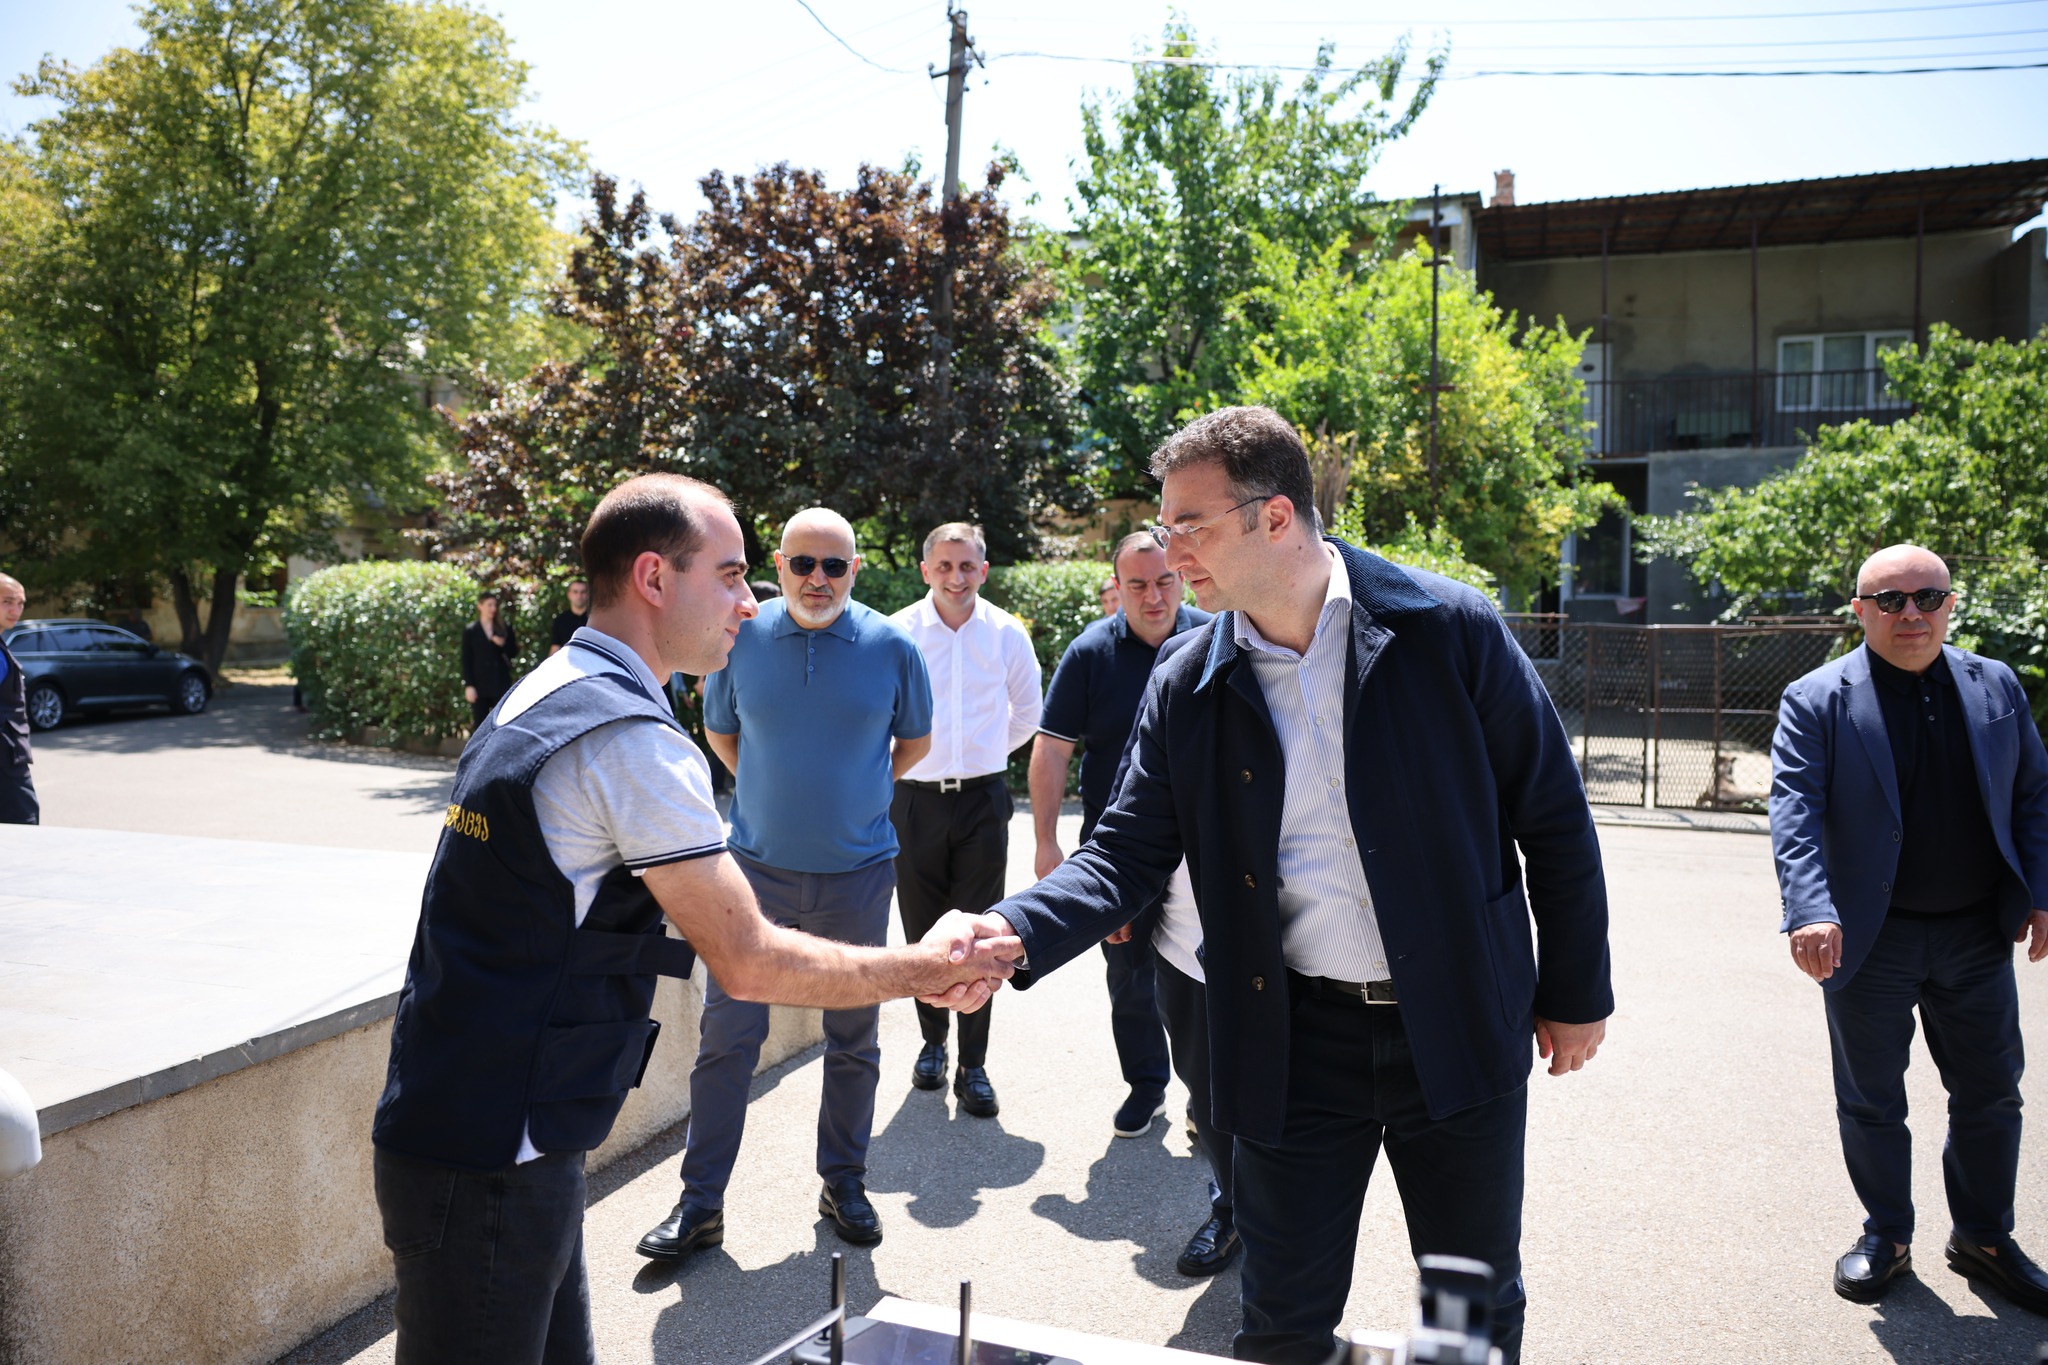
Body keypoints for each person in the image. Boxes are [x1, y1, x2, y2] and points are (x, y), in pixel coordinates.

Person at [962, 406, 1612, 1365]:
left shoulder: (1447, 628)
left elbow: (1553, 816)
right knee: (1281, 1319)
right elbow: (1127, 848)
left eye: (1191, 526)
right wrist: (1013, 929)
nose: (1171, 551)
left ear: (1274, 516)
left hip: (1457, 1014)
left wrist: (1575, 991)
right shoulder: (1187, 678)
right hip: (1290, 1035)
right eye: (1166, 527)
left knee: (1468, 1307)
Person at [370, 474, 1016, 1365]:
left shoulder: (550, 688)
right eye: (732, 574)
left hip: (478, 1120)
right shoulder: (631, 740)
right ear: (653, 577)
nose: (751, 602)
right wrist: (925, 966)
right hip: (493, 1151)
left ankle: (831, 1181)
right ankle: (701, 1199)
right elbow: (746, 960)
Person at [637, 507, 934, 1260]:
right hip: (753, 875)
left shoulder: (894, 646)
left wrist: (857, 795)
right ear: (779, 564)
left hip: (858, 875)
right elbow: (721, 732)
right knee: (727, 1039)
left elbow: (914, 741)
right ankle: (700, 1204)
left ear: (855, 570)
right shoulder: (740, 638)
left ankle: (845, 1181)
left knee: (854, 1039)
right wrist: (770, 798)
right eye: (803, 563)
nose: (817, 579)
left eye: (834, 565)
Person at [1772, 542, 2048, 1311]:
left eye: (1928, 596)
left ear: (1950, 604)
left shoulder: (1995, 684)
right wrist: (1810, 907)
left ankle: (1983, 1237)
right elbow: (1794, 812)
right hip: (1870, 935)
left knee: (1991, 1092)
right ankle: (1887, 1235)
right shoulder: (1816, 698)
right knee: (1871, 1098)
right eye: (1890, 600)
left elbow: (2034, 794)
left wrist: (2042, 890)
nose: (1911, 613)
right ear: (1859, 611)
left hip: (1975, 932)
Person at [1030, 533, 1210, 1147]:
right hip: (1120, 851)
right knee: (1130, 975)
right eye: (1137, 585)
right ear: (1116, 588)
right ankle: (1146, 1087)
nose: (1153, 596)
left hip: (1201, 850)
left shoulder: (1216, 637)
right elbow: (1053, 749)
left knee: (1209, 977)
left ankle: (1206, 1096)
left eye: (1163, 581)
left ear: (1180, 578)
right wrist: (1046, 843)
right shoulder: (1089, 653)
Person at [889, 522, 1042, 1116]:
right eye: (945, 566)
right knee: (922, 927)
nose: (957, 577)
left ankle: (973, 1064)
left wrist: (980, 754)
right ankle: (932, 1044)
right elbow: (881, 712)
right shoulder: (899, 632)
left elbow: (1027, 711)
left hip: (981, 799)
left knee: (984, 934)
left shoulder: (1005, 633)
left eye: (967, 566)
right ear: (926, 570)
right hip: (915, 800)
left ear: (984, 569)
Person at [0, 573, 36, 825]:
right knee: (23, 830)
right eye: (7, 601)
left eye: (21, 603)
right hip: (5, 762)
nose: (16, 610)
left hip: (9, 756)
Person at [460, 590, 518, 726]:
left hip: (500, 683)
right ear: (480, 606)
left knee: (501, 723)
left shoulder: (504, 628)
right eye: (489, 605)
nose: (493, 609)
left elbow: (513, 652)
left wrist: (502, 645)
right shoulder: (471, 630)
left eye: (495, 605)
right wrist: (469, 685)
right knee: (480, 724)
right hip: (479, 685)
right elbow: (466, 659)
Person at [547, 578, 591, 655]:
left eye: (583, 592)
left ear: (588, 595)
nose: (579, 596)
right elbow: (555, 648)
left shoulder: (595, 619)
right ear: (569, 595)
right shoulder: (560, 621)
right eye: (575, 592)